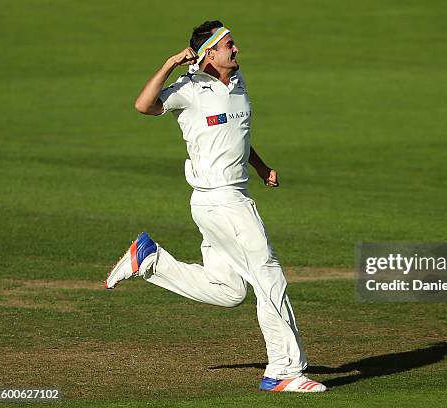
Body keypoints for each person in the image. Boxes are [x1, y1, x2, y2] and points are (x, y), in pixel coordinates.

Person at [104, 20, 326, 393]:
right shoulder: (189, 89)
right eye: (229, 46)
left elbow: (237, 135)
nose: (237, 50)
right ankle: (284, 370)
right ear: (209, 52)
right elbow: (143, 105)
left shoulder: (238, 86)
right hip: (220, 200)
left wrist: (260, 167)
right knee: (268, 275)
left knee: (229, 290)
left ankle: (150, 259)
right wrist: (169, 63)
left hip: (224, 200)